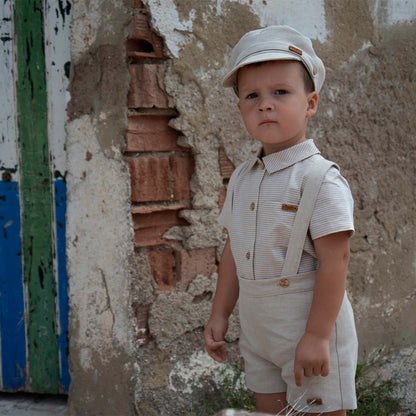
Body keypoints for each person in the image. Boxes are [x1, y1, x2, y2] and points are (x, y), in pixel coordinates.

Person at [204, 26, 358, 415]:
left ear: (311, 103)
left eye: (280, 92)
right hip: (258, 330)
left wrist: (318, 336)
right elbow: (234, 250)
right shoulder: (242, 177)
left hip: (308, 324)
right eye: (252, 95)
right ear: (240, 107)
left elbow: (335, 260)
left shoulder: (320, 179)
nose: (265, 105)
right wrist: (220, 313)